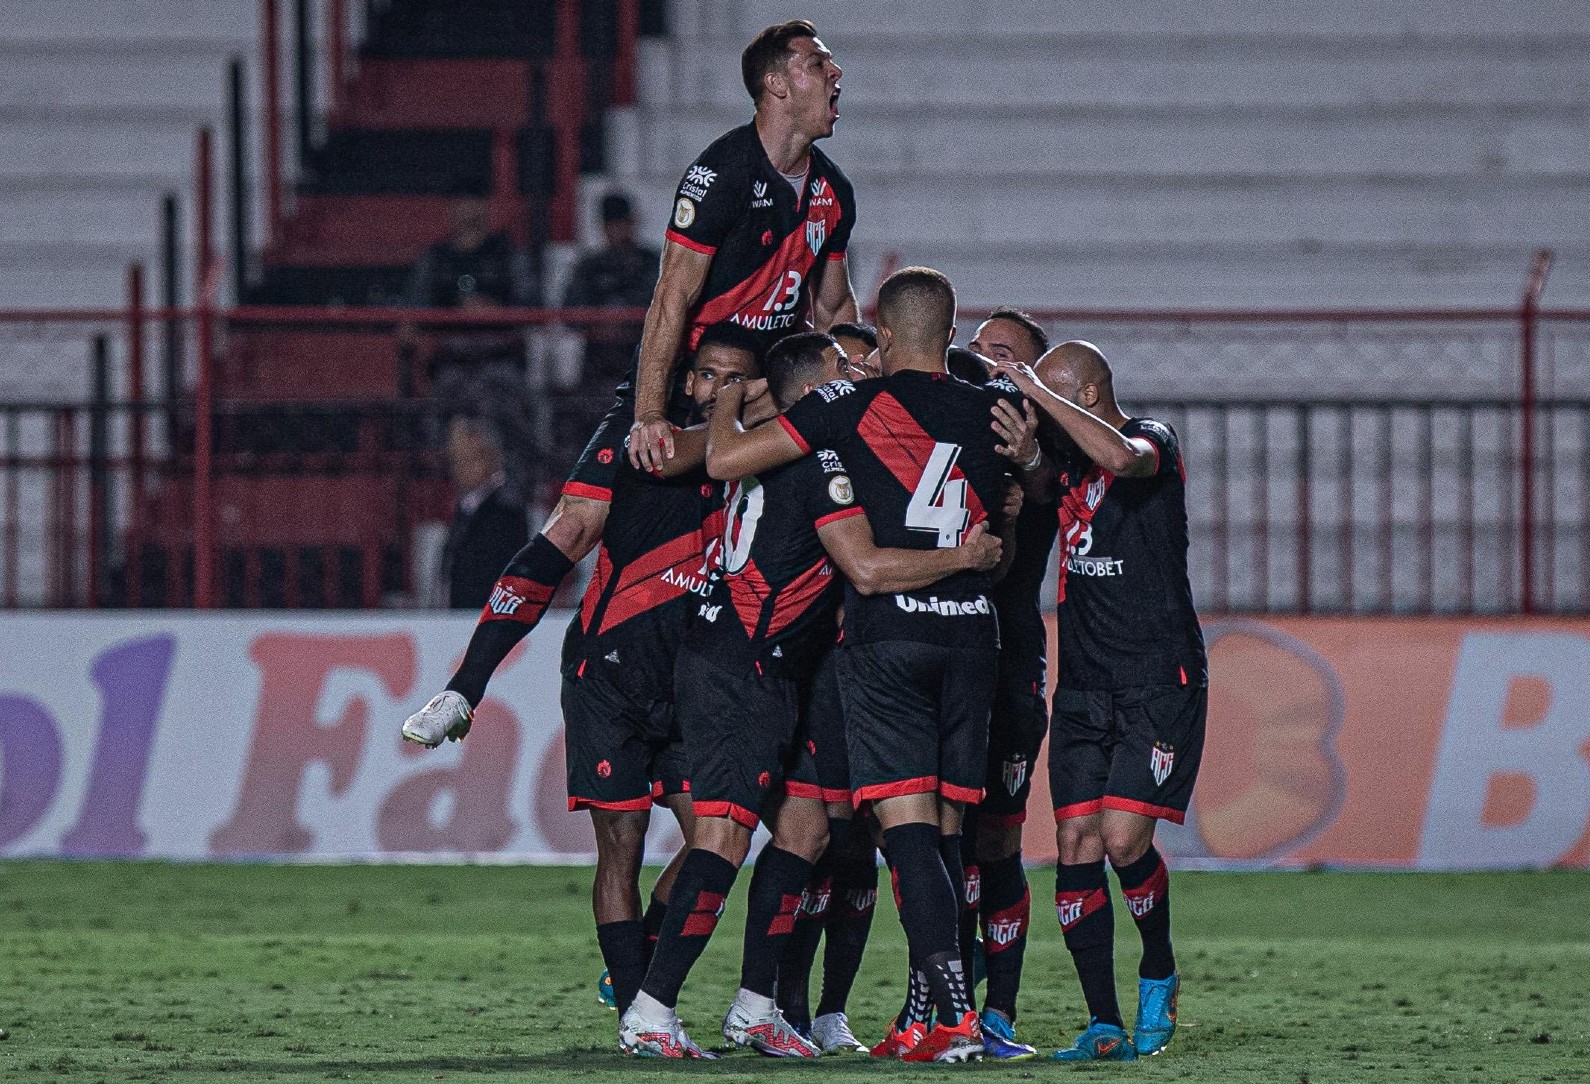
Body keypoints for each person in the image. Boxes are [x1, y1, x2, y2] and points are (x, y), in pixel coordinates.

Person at [618, 331, 1004, 1058]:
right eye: (842, 366)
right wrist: (966, 556)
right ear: (814, 390)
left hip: (775, 667)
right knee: (722, 838)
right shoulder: (817, 460)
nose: (857, 374)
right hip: (739, 666)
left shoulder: (785, 445)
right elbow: (863, 566)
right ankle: (650, 1009)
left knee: (805, 831)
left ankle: (756, 1007)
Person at [703, 267, 1039, 1064]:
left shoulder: (844, 406)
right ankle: (928, 1019)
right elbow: (998, 556)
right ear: (950, 335)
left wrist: (725, 395)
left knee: (906, 829)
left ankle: (952, 1014)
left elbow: (725, 463)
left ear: (883, 335)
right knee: (950, 831)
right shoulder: (994, 415)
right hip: (972, 638)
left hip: (888, 638)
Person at [993, 340, 1207, 1062]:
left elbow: (1122, 460)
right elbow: (1042, 479)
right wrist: (1025, 454)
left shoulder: (1152, 441)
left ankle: (1159, 967)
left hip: (1157, 680)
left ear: (1084, 395)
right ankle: (1104, 1023)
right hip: (1084, 684)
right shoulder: (1064, 466)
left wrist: (1037, 393)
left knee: (1123, 840)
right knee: (1075, 845)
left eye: (1050, 398)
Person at [627, 20, 858, 476]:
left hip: (769, 388)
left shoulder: (834, 189)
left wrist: (843, 382)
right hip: (693, 381)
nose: (836, 71)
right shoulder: (722, 174)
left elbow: (834, 306)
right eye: (818, 63)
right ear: (776, 84)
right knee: (580, 515)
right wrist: (651, 414)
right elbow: (672, 296)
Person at [960, 309, 1055, 1054]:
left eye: (1006, 356)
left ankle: (1003, 1007)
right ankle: (939, 998)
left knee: (996, 837)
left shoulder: (1046, 445)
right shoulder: (940, 428)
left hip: (1009, 658)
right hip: (937, 652)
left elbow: (1057, 495)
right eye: (979, 350)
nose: (987, 364)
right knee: (935, 840)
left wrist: (1024, 463)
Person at [405, 194, 537, 386]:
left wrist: (497, 311)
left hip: (500, 357)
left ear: (486, 209)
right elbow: (416, 307)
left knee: (506, 387)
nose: (468, 210)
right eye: (462, 203)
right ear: (450, 211)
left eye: (475, 202)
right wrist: (454, 311)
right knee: (445, 389)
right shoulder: (435, 258)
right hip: (450, 358)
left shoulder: (507, 254)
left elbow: (532, 304)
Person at [559, 192, 661, 443]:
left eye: (622, 223)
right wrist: (601, 323)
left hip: (643, 362)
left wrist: (627, 322)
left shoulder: (652, 263)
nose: (618, 230)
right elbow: (569, 313)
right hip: (598, 367)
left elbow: (666, 310)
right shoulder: (589, 267)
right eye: (611, 224)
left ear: (633, 222)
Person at [438, 414, 530, 609]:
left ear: (491, 457)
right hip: (462, 615)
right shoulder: (467, 505)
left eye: (468, 460)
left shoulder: (506, 508)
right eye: (456, 461)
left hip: (488, 614)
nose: (460, 469)